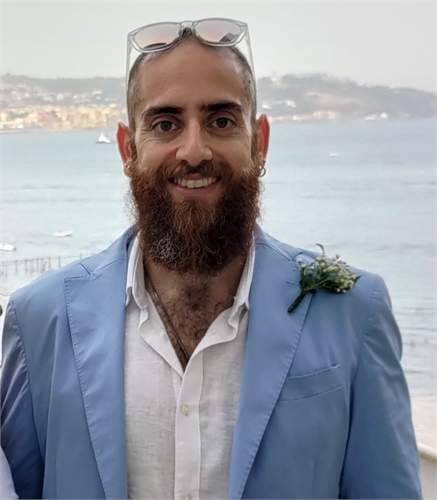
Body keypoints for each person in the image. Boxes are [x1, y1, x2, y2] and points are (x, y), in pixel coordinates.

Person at [1, 18, 422, 500]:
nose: (194, 150)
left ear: (259, 142)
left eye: (221, 121)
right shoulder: (40, 321)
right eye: (166, 124)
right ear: (127, 149)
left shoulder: (353, 312)